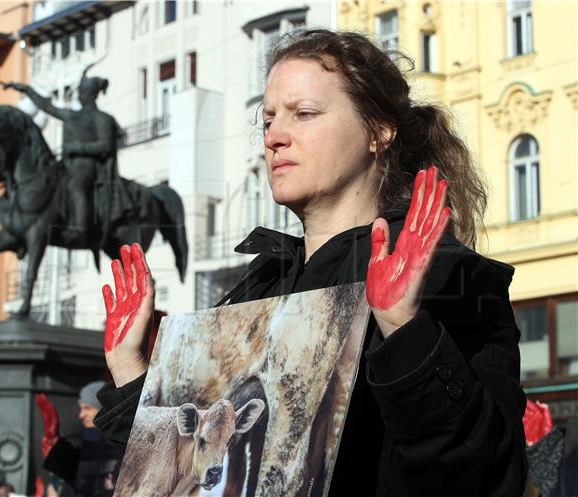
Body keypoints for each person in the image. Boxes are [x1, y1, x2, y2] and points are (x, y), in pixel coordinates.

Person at [94, 29, 527, 496]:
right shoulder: (253, 291)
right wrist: (129, 368)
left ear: (379, 131)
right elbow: (185, 472)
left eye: (304, 114)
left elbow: (486, 476)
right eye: (268, 121)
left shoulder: (449, 279)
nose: (275, 138)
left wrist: (406, 331)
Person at [5, 69, 136, 246]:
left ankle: (80, 228)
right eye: (79, 92)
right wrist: (27, 90)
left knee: (76, 185)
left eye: (82, 92)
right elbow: (47, 107)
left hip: (89, 167)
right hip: (68, 165)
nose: (79, 95)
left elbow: (105, 145)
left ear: (91, 94)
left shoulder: (102, 119)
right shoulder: (72, 115)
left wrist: (78, 147)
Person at [36, 382, 122, 497]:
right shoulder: (92, 441)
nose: (81, 415)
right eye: (81, 408)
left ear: (104, 409)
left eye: (87, 408)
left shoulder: (119, 445)